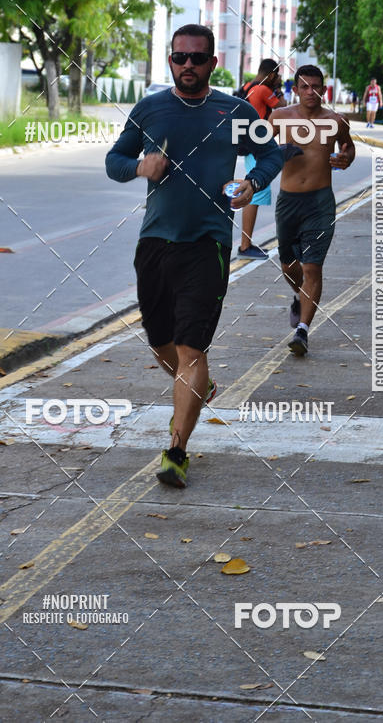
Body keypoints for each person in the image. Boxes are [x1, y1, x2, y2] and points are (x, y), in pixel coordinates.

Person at [106, 24, 302, 487]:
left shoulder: (233, 111)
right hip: (154, 243)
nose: (188, 65)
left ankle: (176, 450)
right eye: (180, 58)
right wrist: (140, 166)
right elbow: (114, 161)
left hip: (208, 245)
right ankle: (200, 390)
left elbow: (271, 155)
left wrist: (252, 184)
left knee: (192, 349)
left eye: (197, 58)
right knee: (162, 345)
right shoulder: (150, 108)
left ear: (214, 62)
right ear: (169, 61)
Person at [269, 64, 355, 356]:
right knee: (289, 267)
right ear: (296, 89)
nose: (311, 91)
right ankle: (298, 296)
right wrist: (275, 153)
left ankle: (302, 331)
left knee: (312, 267)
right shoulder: (280, 117)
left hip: (320, 202)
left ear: (324, 89)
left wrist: (346, 158)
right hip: (288, 201)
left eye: (316, 86)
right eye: (304, 86)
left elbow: (348, 147)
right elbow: (257, 147)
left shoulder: (336, 119)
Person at [238, 58, 286, 258]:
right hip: (256, 144)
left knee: (255, 190)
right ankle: (244, 246)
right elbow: (283, 106)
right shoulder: (264, 90)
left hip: (246, 141)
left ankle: (246, 244)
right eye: (277, 75)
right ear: (272, 74)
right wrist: (279, 88)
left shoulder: (247, 86)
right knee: (255, 191)